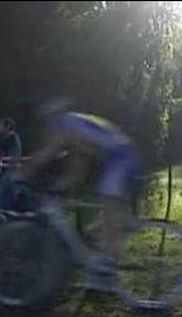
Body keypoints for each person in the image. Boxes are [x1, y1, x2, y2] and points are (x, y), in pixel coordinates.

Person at [19, 99, 142, 290]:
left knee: (107, 196)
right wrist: (61, 187)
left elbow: (48, 153)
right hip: (123, 154)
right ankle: (103, 275)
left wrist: (24, 172)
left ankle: (109, 262)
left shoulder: (64, 123)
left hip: (121, 156)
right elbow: (78, 168)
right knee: (100, 224)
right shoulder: (79, 130)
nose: (47, 131)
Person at [0, 118, 22, 210]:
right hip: (4, 168)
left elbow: (14, 156)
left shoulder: (13, 139)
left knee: (6, 187)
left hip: (11, 170)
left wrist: (3, 159)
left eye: (2, 125)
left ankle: (6, 210)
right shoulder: (4, 138)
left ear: (8, 127)